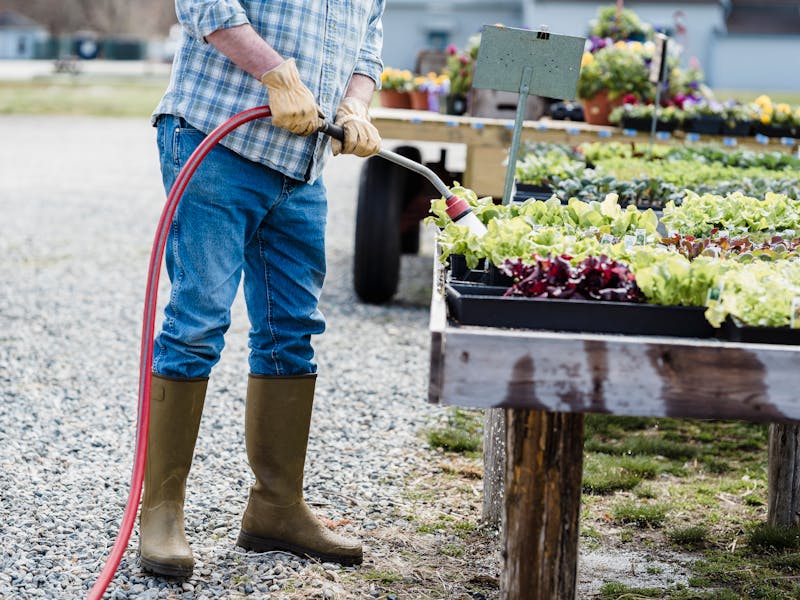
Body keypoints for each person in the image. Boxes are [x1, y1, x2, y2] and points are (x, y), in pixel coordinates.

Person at [139, 0, 385, 578]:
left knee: (291, 333)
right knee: (198, 322)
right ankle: (162, 510)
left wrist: (354, 103)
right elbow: (205, 4)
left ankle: (276, 507)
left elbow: (368, 43)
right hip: (217, 142)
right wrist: (276, 73)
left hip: (302, 164)